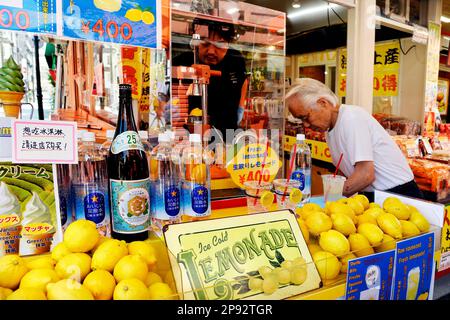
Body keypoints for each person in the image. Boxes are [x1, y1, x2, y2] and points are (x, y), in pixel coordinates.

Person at [285, 78, 423, 201]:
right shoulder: (330, 129)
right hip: (373, 195)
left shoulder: (351, 118)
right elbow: (343, 172)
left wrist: (331, 199)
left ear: (323, 103)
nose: (306, 125)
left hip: (399, 195)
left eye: (305, 117)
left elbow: (365, 175)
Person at [172, 19, 248, 139]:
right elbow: (167, 94)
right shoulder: (182, 62)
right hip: (191, 137)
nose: (211, 51)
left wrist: (240, 108)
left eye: (219, 44)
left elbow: (243, 81)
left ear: (228, 43)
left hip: (228, 134)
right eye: (205, 43)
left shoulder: (235, 60)